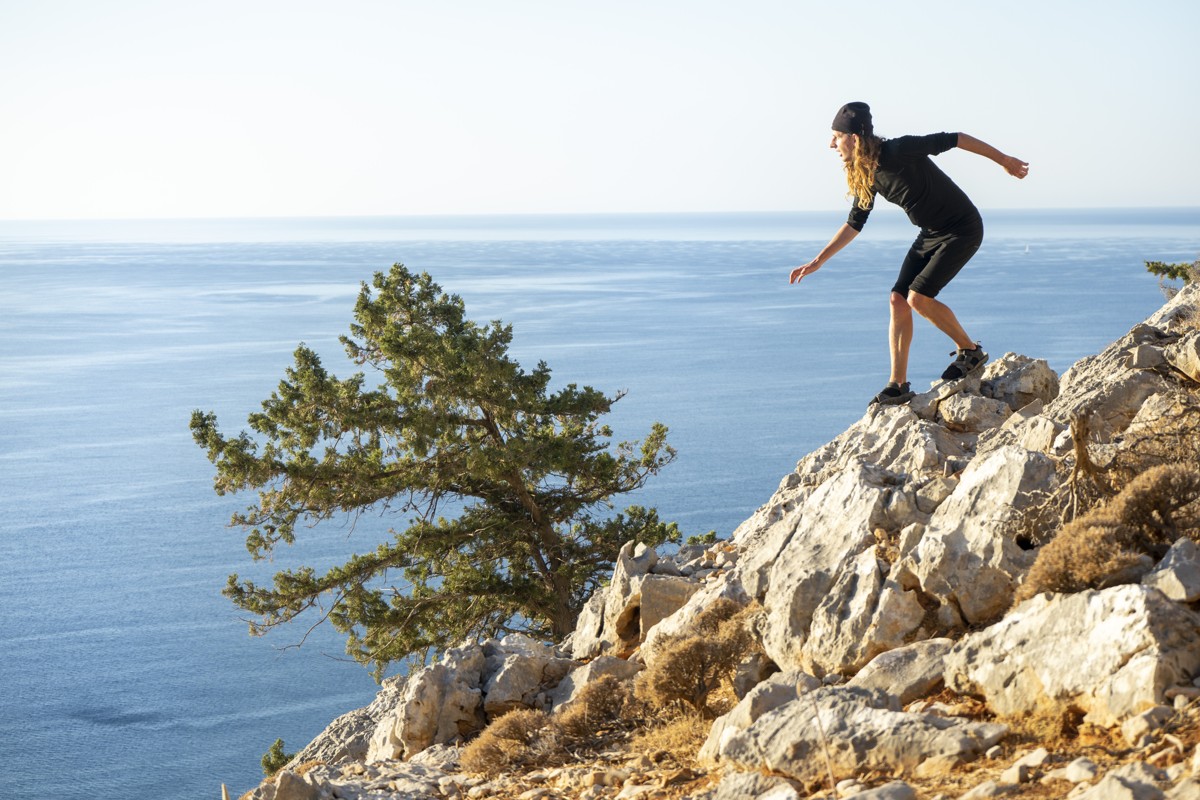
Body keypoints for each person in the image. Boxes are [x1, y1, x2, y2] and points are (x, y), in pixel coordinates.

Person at [790, 102, 1028, 406]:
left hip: (962, 229)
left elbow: (957, 138)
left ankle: (970, 351)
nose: (831, 144)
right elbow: (855, 222)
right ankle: (898, 384)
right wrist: (818, 261)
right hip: (930, 233)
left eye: (836, 136)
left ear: (854, 138)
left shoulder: (900, 150)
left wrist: (1004, 160)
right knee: (898, 300)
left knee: (918, 298)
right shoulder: (866, 172)